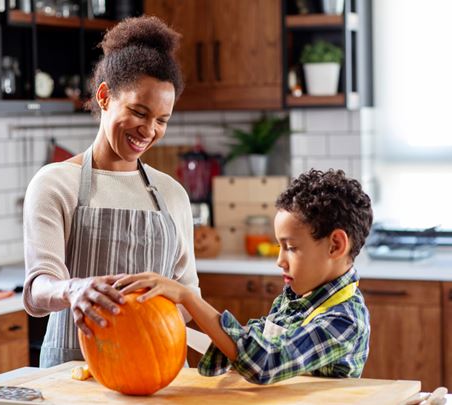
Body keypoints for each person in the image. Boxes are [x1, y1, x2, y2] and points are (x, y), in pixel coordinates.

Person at [22, 16, 199, 368]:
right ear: (104, 96)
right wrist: (72, 290)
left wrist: (148, 334)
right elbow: (38, 288)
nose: (148, 130)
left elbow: (188, 294)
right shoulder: (55, 183)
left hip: (155, 371)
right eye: (138, 111)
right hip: (72, 372)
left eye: (162, 120)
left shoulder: (172, 193)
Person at [117, 169, 373, 384]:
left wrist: (187, 298)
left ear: (336, 245)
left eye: (292, 248)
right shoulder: (296, 299)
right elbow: (251, 343)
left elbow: (266, 362)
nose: (280, 260)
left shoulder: (345, 321)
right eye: (280, 246)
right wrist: (162, 331)